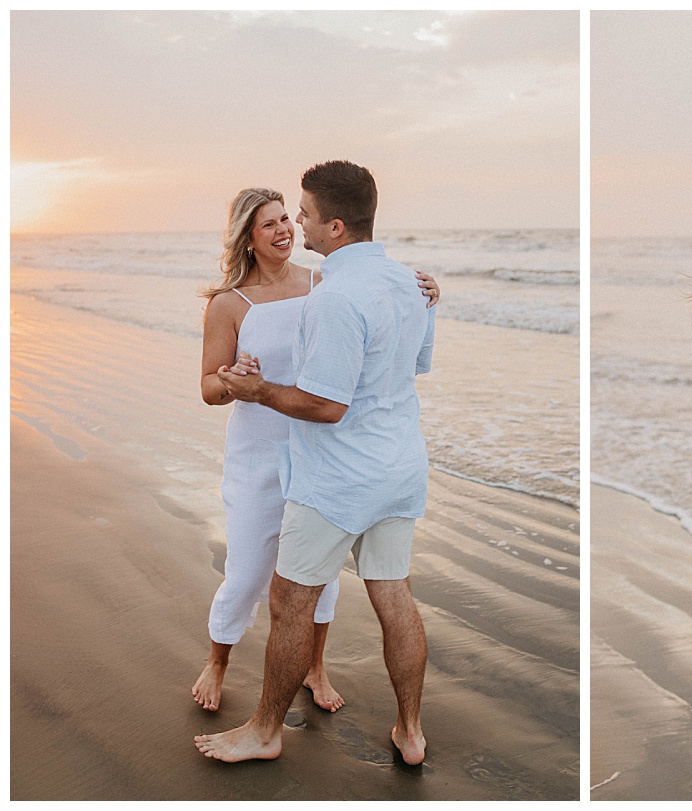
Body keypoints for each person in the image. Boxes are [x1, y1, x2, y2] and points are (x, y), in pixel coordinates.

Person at [194, 160, 436, 766]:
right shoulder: (408, 282)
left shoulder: (333, 292)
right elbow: (414, 365)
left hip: (338, 475)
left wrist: (258, 392)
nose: (293, 225)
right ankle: (410, 731)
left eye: (299, 214)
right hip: (399, 465)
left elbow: (326, 406)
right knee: (393, 593)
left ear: (331, 224)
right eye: (277, 219)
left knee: (293, 599)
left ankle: (266, 730)